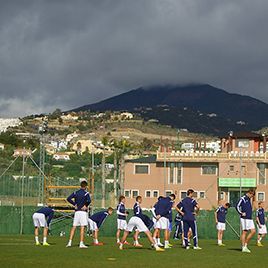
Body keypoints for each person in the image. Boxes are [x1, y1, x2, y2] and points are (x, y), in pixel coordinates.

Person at [66, 180, 91, 248]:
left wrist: (74, 204)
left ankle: (69, 242)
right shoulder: (86, 193)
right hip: (83, 212)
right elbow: (89, 201)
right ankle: (81, 243)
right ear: (86, 186)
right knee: (82, 227)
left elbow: (68, 198)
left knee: (74, 227)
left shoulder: (75, 192)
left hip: (77, 212)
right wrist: (85, 205)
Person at [236, 189, 256, 253]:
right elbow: (237, 206)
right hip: (244, 218)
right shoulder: (243, 198)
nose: (252, 197)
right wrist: (241, 213)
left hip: (250, 218)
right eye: (252, 195)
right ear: (250, 193)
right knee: (244, 232)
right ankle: (243, 247)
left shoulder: (248, 199)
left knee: (253, 231)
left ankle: (245, 245)